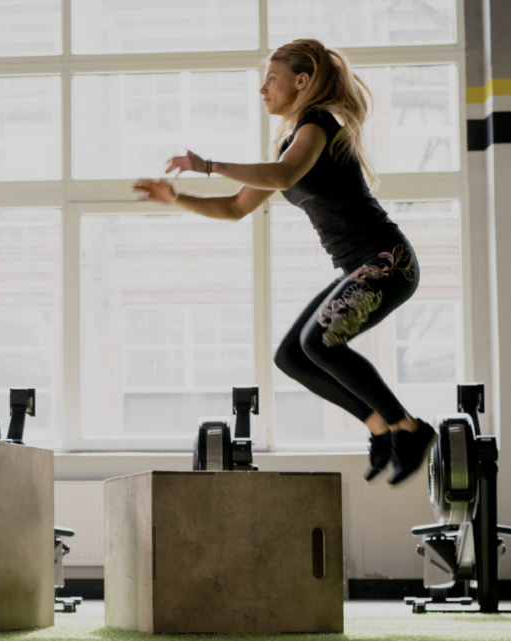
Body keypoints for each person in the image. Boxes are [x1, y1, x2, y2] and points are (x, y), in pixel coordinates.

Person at [133, 39, 435, 485]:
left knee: (319, 345)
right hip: (358, 267)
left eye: (271, 79)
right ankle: (379, 427)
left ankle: (409, 427)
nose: (262, 89)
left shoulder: (317, 123)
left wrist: (209, 164)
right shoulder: (292, 142)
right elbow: (236, 207)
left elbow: (283, 177)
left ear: (302, 81)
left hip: (387, 260)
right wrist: (177, 198)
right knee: (292, 356)